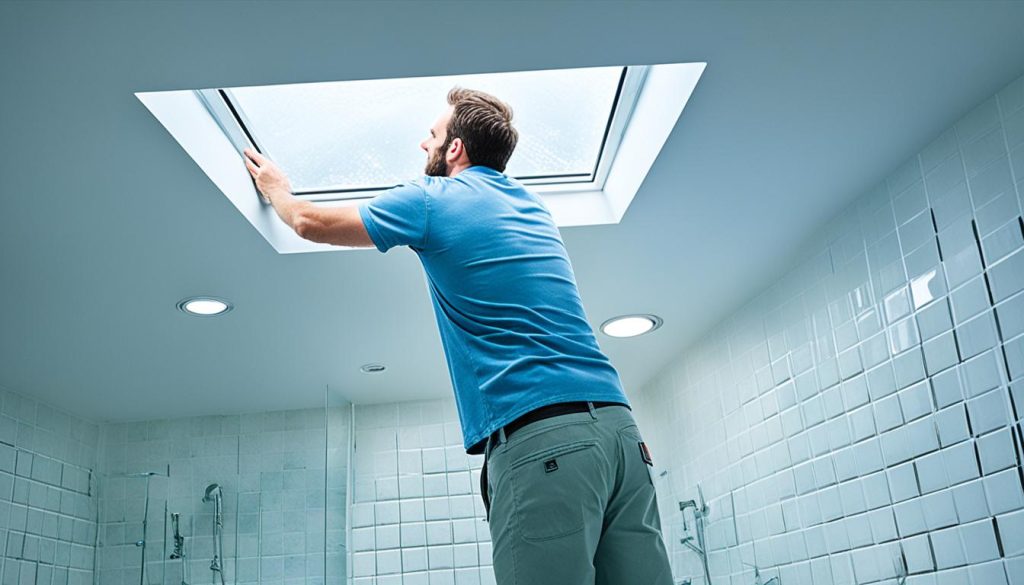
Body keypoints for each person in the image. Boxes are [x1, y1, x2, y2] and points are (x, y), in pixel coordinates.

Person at [243, 87, 673, 585]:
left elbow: (309, 223)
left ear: (455, 149)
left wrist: (277, 187)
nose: (422, 144)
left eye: (432, 135)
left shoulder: (432, 199)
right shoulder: (534, 209)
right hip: (622, 435)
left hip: (543, 440)